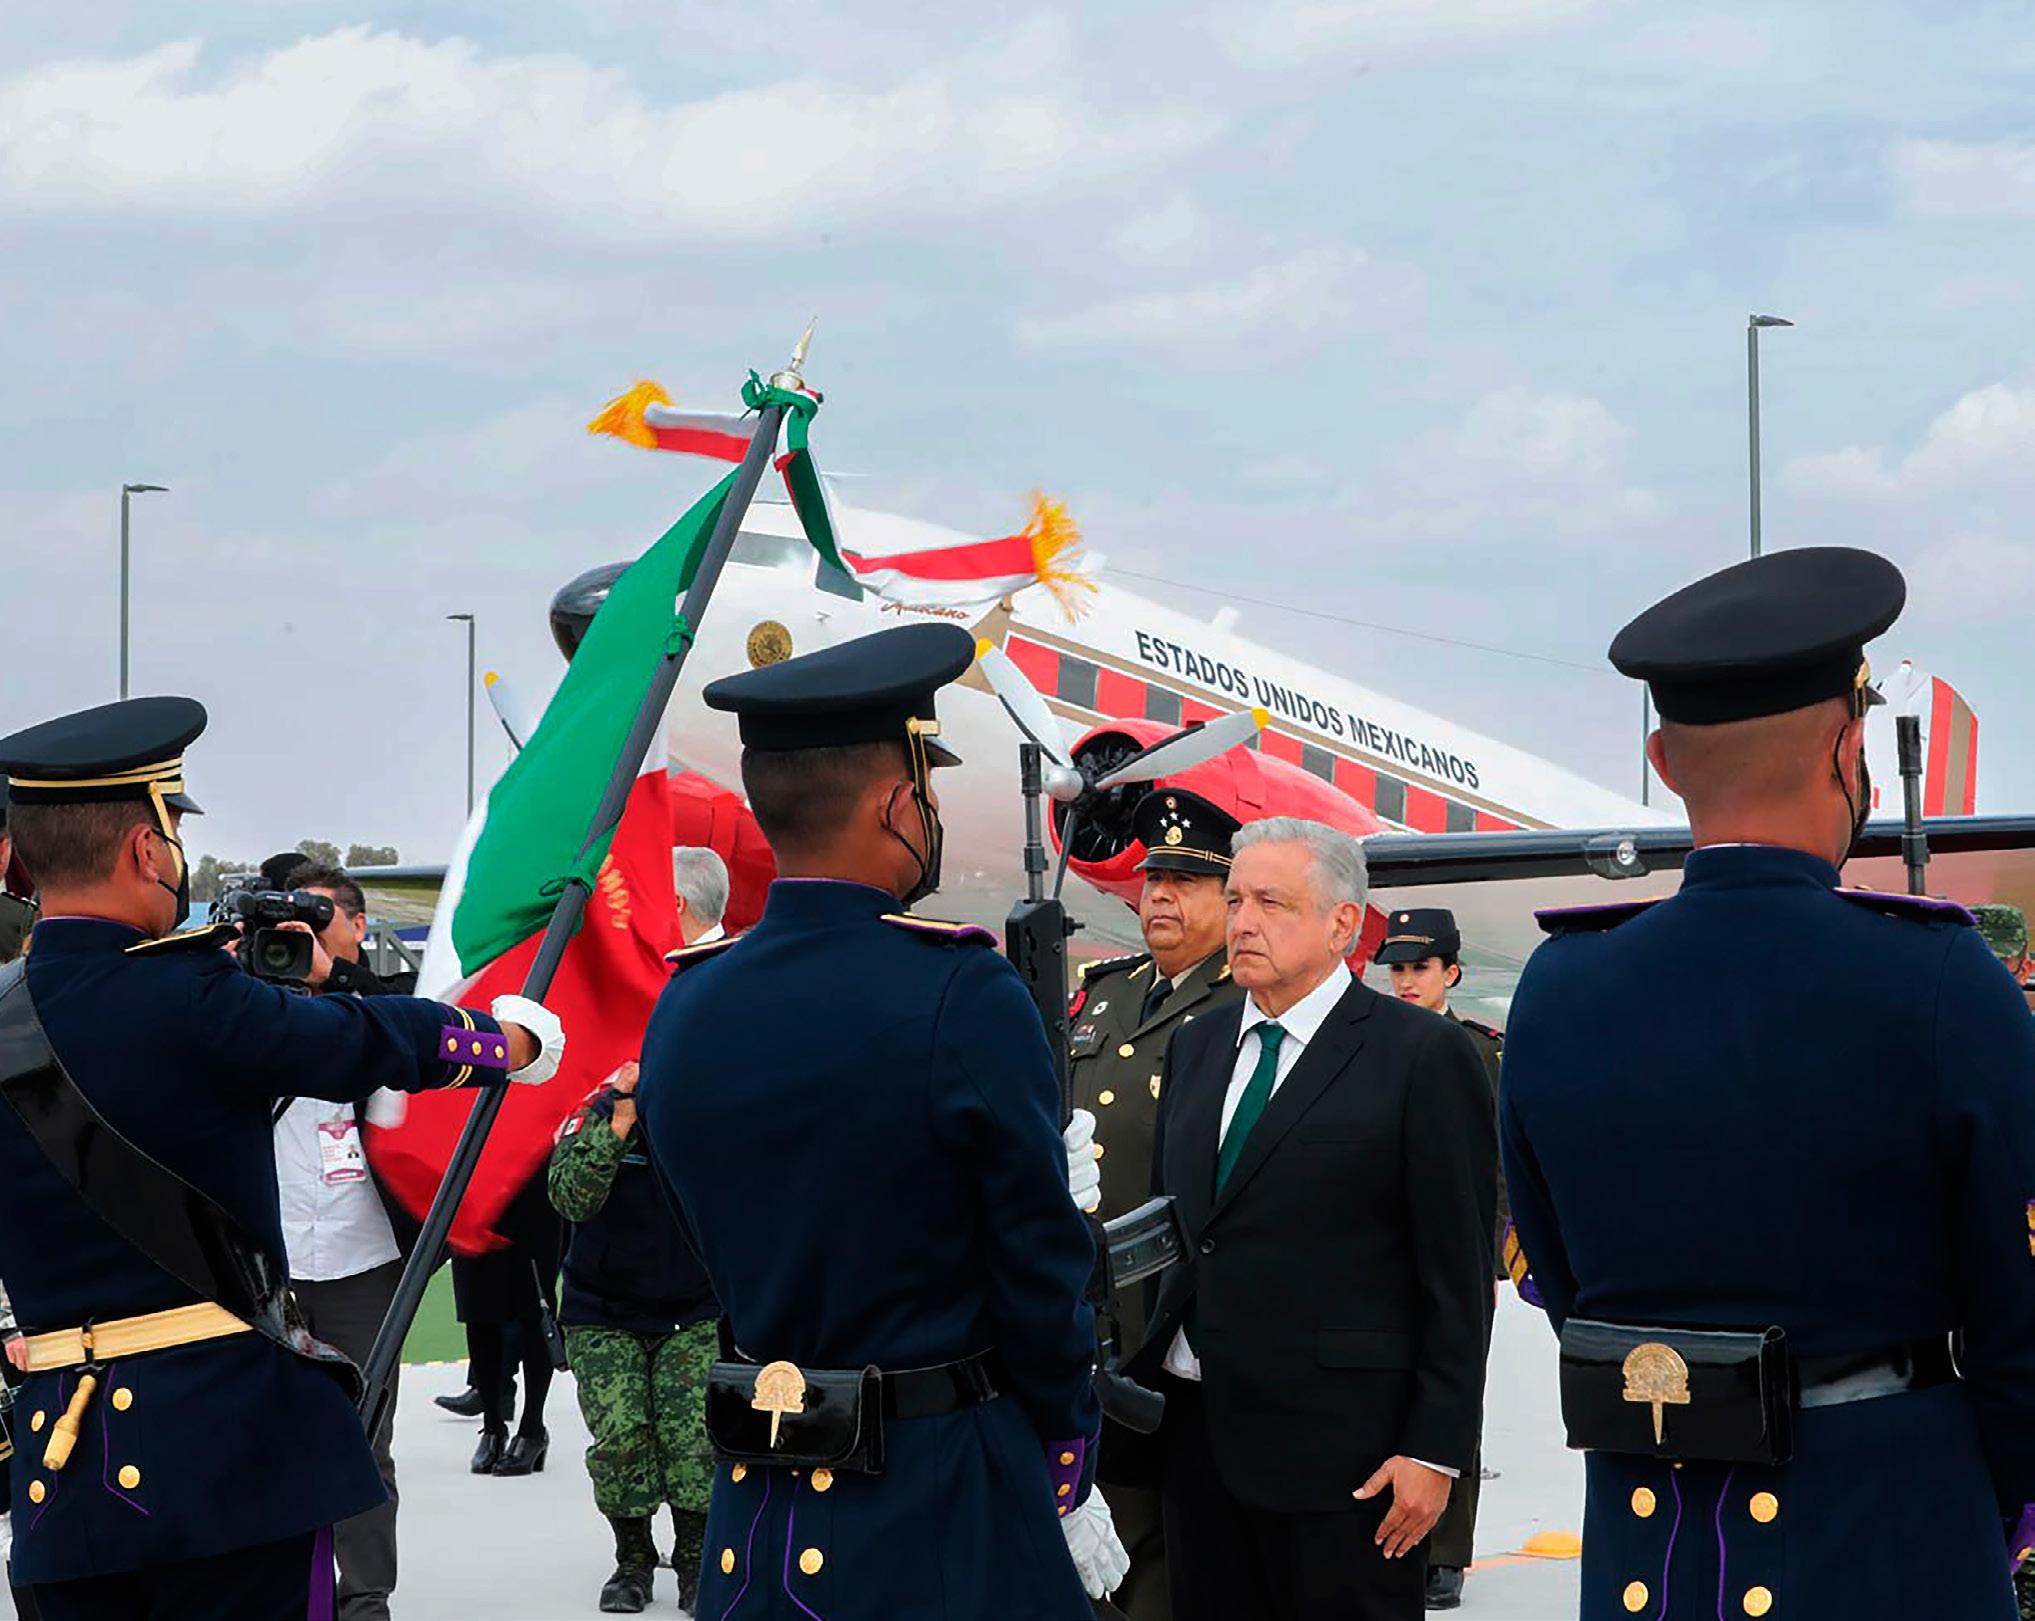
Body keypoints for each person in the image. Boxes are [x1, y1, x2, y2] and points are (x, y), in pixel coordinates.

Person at [1500, 546, 2035, 1619]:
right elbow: (2016, 1321)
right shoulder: (1938, 978)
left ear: (1662, 759)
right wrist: (1987, 1502)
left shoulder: (1559, 986)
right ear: (1848, 749)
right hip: (1890, 1535)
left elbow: (1558, 1281)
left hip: (1651, 1545)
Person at [0, 696, 564, 1620]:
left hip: (62, 1474)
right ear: (147, 849)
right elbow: (363, 1037)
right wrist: (505, 1043)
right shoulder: (190, 993)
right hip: (225, 1458)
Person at [636, 622, 1126, 1619]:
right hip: (936, 1500)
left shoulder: (686, 1001)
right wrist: (1067, 1451)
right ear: (900, 803)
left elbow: (707, 1232)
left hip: (758, 1522)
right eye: (929, 792)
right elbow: (1038, 1273)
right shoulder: (961, 992)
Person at [1130, 817, 1495, 1621]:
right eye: (1234, 900)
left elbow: (1457, 1276)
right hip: (1198, 1442)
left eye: (1271, 902)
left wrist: (1434, 1448)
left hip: (1347, 1460)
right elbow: (1182, 1235)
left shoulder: (1418, 1054)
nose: (1242, 921)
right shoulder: (1198, 1045)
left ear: (1341, 924)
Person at [1069, 786, 1245, 1621]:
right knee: (1094, 1522)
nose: (1161, 896)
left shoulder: (1242, 1005)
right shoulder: (1104, 993)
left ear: (1228, 897)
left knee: (1174, 1539)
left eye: (1186, 881)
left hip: (1176, 1315)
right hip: (1092, 1307)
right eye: (1153, 879)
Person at [550, 847, 729, 1616]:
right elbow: (569, 1195)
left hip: (695, 1301)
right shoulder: (601, 1088)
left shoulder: (716, 1066)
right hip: (604, 1303)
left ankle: (694, 1562)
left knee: (693, 1445)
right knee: (621, 1443)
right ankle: (631, 1561)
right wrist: (617, 1120)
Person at [268, 860, 414, 1621]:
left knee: (365, 1444)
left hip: (365, 1264)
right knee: (268, 1443)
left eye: (320, 922)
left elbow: (415, 1035)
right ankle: (286, 1591)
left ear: (356, 927)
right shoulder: (255, 1010)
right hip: (269, 1267)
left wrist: (337, 980)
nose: (305, 941)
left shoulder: (383, 1009)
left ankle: (364, 1599)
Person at [1373, 906, 1504, 1610]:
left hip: (1457, 1249)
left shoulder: (1479, 1053)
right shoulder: (1367, 1046)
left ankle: (1446, 1549)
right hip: (1382, 1249)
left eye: (1419, 967)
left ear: (1451, 972)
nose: (1405, 981)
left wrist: (1491, 1256)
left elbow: (1501, 1163)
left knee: (1454, 1394)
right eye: (1396, 968)